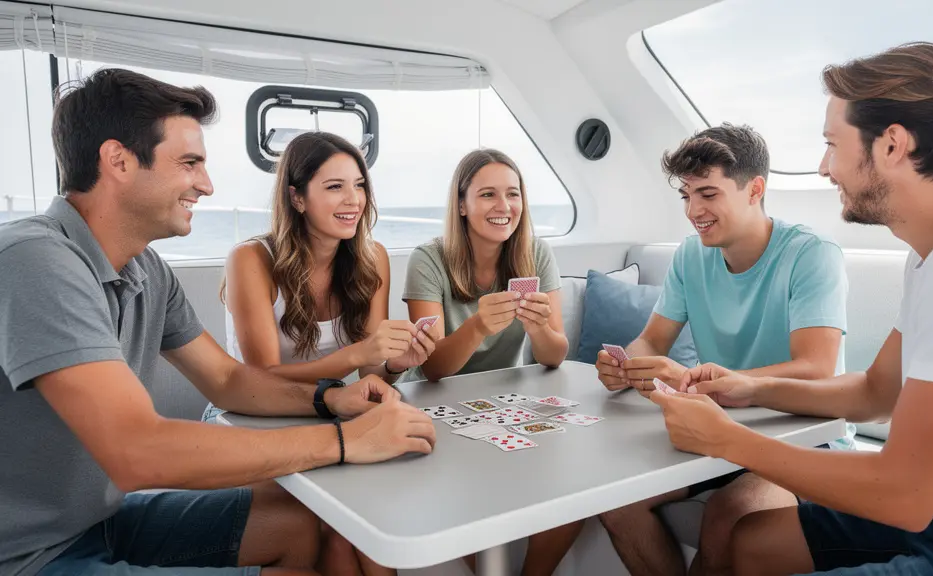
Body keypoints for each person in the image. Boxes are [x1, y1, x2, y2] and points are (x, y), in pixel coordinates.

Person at [0, 68, 436, 576]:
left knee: (305, 523)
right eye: (189, 163)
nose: (206, 185)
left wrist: (329, 398)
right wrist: (343, 442)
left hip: (102, 519)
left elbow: (227, 379)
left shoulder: (145, 269)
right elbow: (136, 452)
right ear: (117, 160)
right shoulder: (35, 259)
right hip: (28, 555)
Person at [652, 42, 933, 576]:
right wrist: (751, 387)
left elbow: (904, 494)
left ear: (892, 144)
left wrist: (726, 439)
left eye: (832, 144)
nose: (826, 169)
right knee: (750, 542)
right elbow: (876, 393)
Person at [595, 123, 850, 576]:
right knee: (615, 503)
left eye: (708, 194)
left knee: (730, 513)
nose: (694, 210)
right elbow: (652, 340)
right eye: (686, 196)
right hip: (713, 431)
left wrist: (711, 383)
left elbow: (817, 369)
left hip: (804, 436)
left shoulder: (812, 254)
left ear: (755, 189)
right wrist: (627, 365)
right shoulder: (690, 256)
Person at [201, 131, 437, 575]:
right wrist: (356, 357)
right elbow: (261, 377)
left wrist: (393, 363)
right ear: (297, 197)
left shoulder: (373, 257)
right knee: (327, 528)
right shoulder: (249, 259)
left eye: (360, 185)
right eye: (335, 187)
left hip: (329, 410)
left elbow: (372, 368)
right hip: (245, 419)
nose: (354, 199)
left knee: (369, 523)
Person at [403, 148, 578, 576]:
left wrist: (538, 329)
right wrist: (478, 326)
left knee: (572, 487)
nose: (504, 207)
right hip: (427, 399)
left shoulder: (536, 253)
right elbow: (432, 367)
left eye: (513, 194)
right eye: (487, 195)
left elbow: (555, 356)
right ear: (461, 205)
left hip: (503, 397)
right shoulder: (427, 259)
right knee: (461, 493)